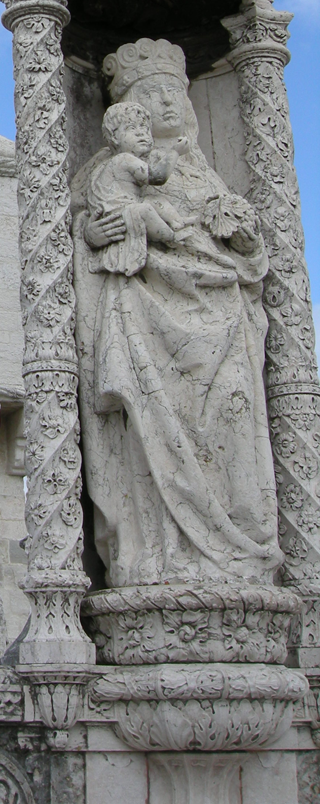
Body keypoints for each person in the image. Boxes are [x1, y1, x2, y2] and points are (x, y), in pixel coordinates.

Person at [72, 38, 281, 588]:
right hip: (143, 319)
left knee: (235, 419)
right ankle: (156, 559)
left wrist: (243, 242)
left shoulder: (207, 176)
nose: (168, 104)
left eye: (176, 93)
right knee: (145, 436)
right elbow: (74, 236)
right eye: (153, 94)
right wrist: (91, 235)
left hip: (222, 319)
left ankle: (239, 556)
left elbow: (255, 262)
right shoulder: (105, 172)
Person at [86, 100, 193, 277]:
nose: (141, 134)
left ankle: (177, 222)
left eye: (144, 129)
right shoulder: (123, 160)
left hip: (132, 215)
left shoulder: (111, 165)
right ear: (114, 137)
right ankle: (171, 238)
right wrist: (175, 152)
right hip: (123, 219)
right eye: (131, 129)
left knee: (155, 202)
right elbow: (158, 176)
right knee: (145, 208)